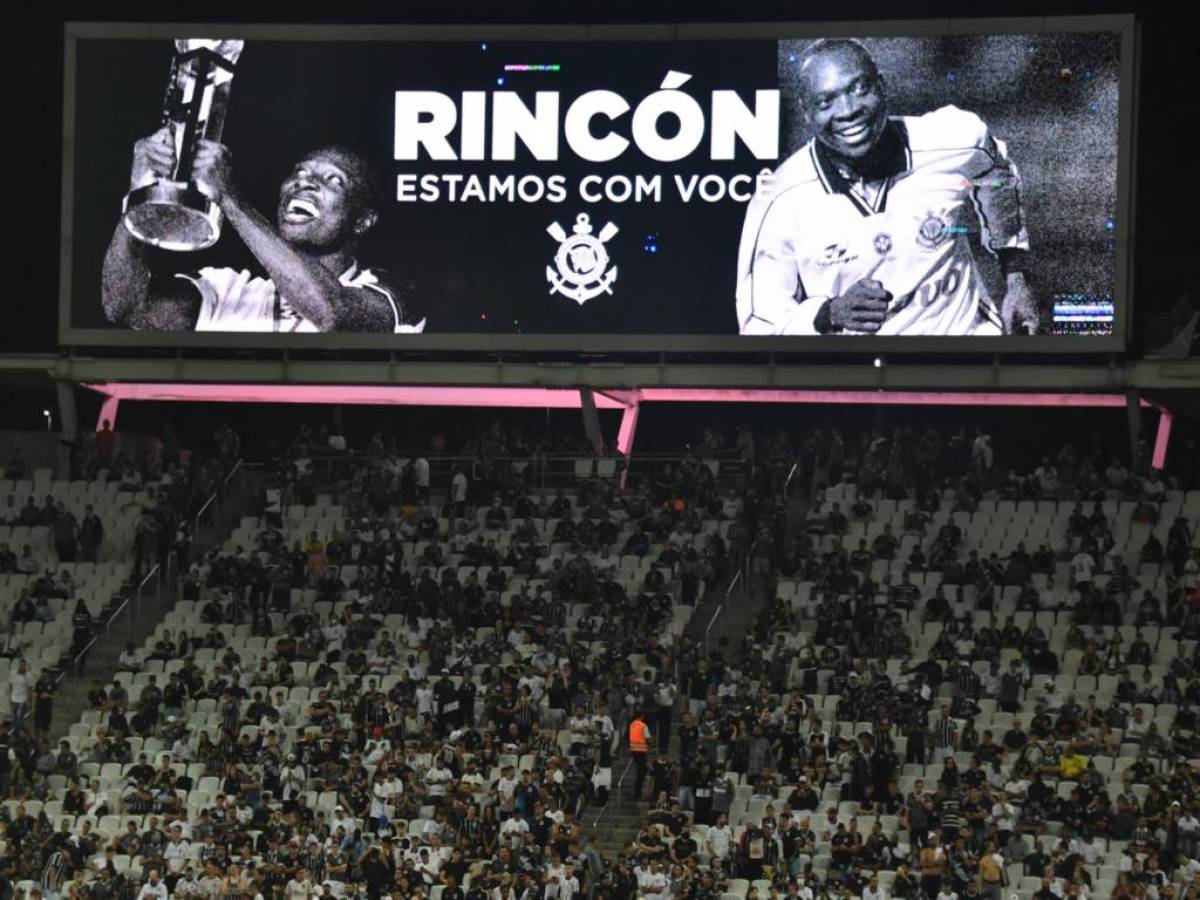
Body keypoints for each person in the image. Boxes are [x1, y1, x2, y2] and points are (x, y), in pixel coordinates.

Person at [736, 38, 1035, 336]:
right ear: (806, 112)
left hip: (964, 351)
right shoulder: (779, 198)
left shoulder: (954, 138)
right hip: (864, 374)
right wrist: (829, 313)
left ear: (882, 85)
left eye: (859, 89)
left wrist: (1016, 275)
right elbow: (758, 321)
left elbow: (998, 176)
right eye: (826, 102)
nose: (848, 110)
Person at [102, 134, 424, 334]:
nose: (305, 182)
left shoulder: (393, 297)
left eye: (333, 180)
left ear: (362, 221)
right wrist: (139, 196)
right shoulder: (230, 290)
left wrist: (227, 197)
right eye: (300, 172)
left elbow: (331, 314)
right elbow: (126, 307)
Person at [629, 710, 652, 800]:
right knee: (642, 773)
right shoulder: (643, 725)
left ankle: (637, 793)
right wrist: (650, 745)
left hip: (633, 751)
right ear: (642, 716)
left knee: (640, 772)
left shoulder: (632, 724)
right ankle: (637, 793)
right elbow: (648, 738)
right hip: (641, 751)